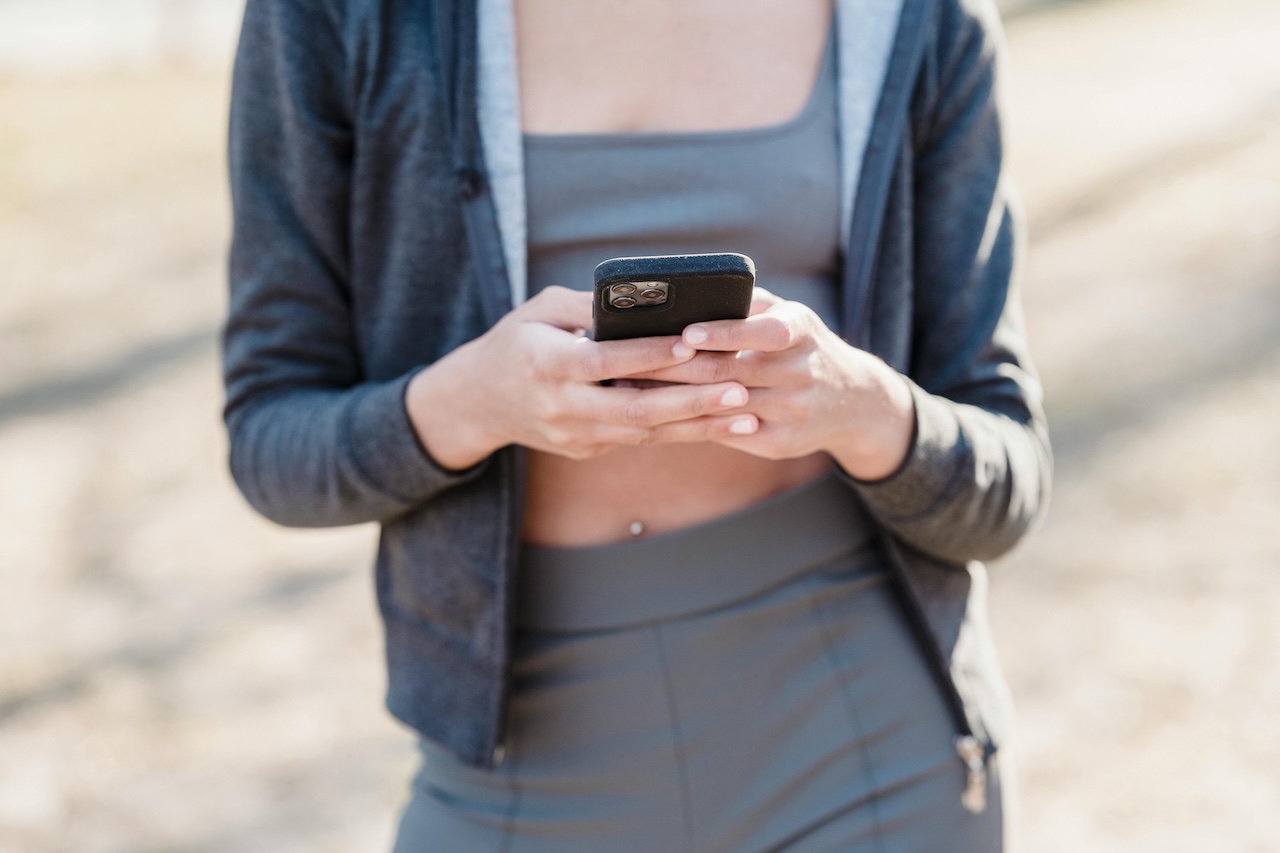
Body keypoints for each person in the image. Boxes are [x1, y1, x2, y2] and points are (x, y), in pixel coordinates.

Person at [223, 0, 1051, 848]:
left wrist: (862, 406)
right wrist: (473, 402)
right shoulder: (336, 16)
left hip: (870, 748)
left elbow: (1010, 478)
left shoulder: (918, 18)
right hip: (513, 772)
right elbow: (269, 440)